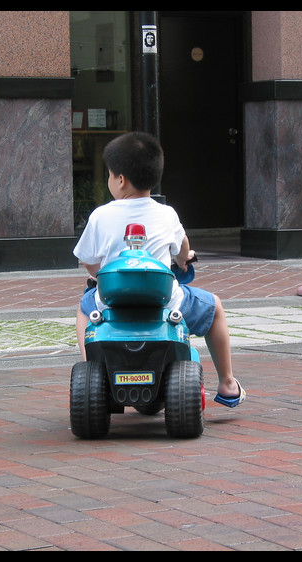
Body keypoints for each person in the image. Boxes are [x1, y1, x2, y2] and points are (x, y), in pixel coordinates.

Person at [73, 131, 245, 407]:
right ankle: (227, 383)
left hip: (111, 302)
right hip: (165, 302)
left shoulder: (100, 215)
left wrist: (97, 273)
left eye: (108, 174)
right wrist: (182, 259)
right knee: (214, 307)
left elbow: (89, 261)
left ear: (120, 180)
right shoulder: (167, 214)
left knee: (85, 310)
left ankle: (92, 369)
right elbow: (181, 246)